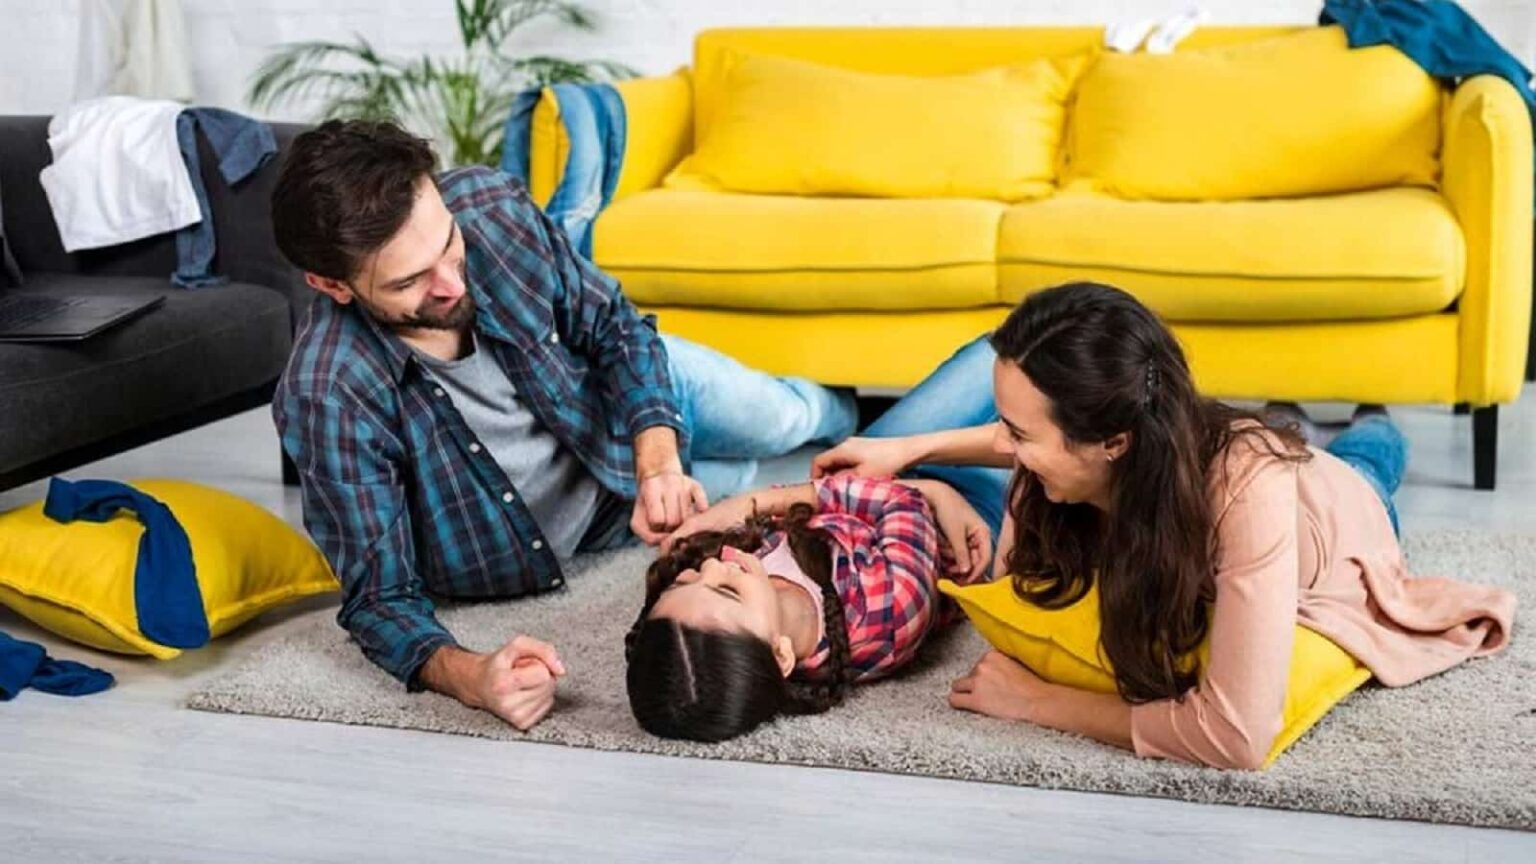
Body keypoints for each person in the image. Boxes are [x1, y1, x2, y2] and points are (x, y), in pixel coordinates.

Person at [269, 120, 857, 730]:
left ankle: (844, 410)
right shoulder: (327, 395)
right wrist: (471, 678)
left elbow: (614, 328)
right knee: (759, 481)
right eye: (410, 281)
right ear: (330, 284)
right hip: (610, 518)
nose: (451, 282)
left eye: (447, 243)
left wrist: (657, 457)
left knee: (787, 419)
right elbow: (379, 598)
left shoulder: (491, 209)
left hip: (628, 422)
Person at [813, 282, 1516, 770]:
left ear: (1111, 443)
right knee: (1287, 442)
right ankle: (1328, 428)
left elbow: (1237, 736)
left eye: (1019, 434)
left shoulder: (1246, 491)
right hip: (1226, 465)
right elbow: (1028, 443)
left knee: (1367, 463)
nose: (1006, 447)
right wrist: (909, 450)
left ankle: (1376, 420)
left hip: (1338, 515)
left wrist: (1041, 703)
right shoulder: (1115, 446)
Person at [623, 472, 992, 742]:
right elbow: (906, 500)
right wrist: (751, 503)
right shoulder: (887, 611)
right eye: (729, 591)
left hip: (868, 477)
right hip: (970, 505)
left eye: (685, 581)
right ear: (780, 654)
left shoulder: (738, 593)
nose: (712, 566)